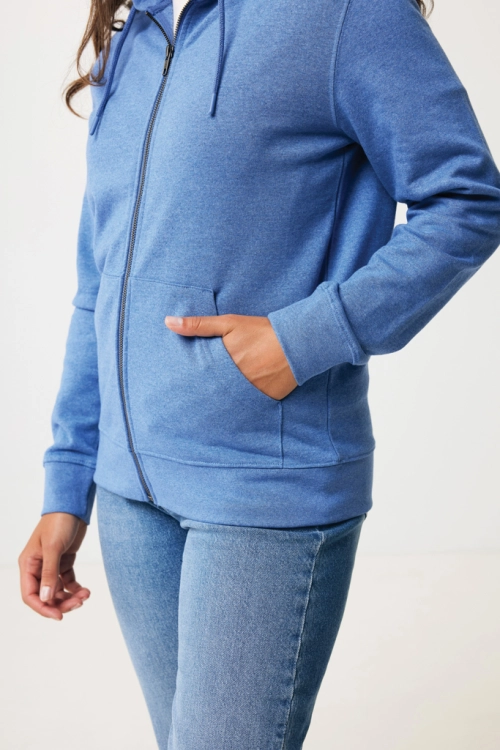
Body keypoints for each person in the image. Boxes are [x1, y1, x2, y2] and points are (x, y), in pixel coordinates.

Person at [18, 0, 500, 747]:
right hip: (130, 500)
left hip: (264, 486)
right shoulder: (136, 33)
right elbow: (99, 282)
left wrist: (305, 337)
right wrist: (70, 477)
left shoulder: (348, 15)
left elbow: (467, 201)